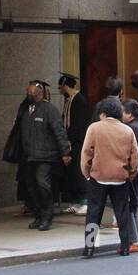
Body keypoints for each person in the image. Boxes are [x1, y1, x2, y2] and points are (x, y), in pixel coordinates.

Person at [79, 96, 138, 258]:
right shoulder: (127, 131)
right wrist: (130, 174)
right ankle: (125, 246)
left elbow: (86, 153)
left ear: (103, 113)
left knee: (94, 212)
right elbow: (134, 158)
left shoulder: (94, 128)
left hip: (98, 176)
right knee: (122, 212)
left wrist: (87, 173)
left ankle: (90, 247)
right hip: (120, 177)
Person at [17, 80, 71, 231]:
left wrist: (65, 152)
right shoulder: (26, 110)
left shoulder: (49, 109)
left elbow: (59, 131)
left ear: (38, 93)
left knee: (43, 185)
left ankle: (47, 216)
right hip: (29, 156)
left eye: (30, 92)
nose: (27, 95)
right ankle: (38, 215)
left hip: (45, 156)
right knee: (31, 187)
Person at [58, 72, 90, 216]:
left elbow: (79, 124)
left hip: (77, 142)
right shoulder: (68, 100)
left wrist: (72, 141)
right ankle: (76, 201)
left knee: (78, 171)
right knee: (71, 173)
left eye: (60, 86)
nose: (60, 89)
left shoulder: (79, 100)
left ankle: (84, 201)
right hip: (70, 141)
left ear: (65, 86)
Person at [120, 99, 138, 253]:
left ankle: (134, 240)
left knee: (130, 205)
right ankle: (136, 238)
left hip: (132, 171)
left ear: (129, 114)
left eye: (122, 111)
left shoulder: (132, 129)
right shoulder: (137, 127)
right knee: (133, 206)